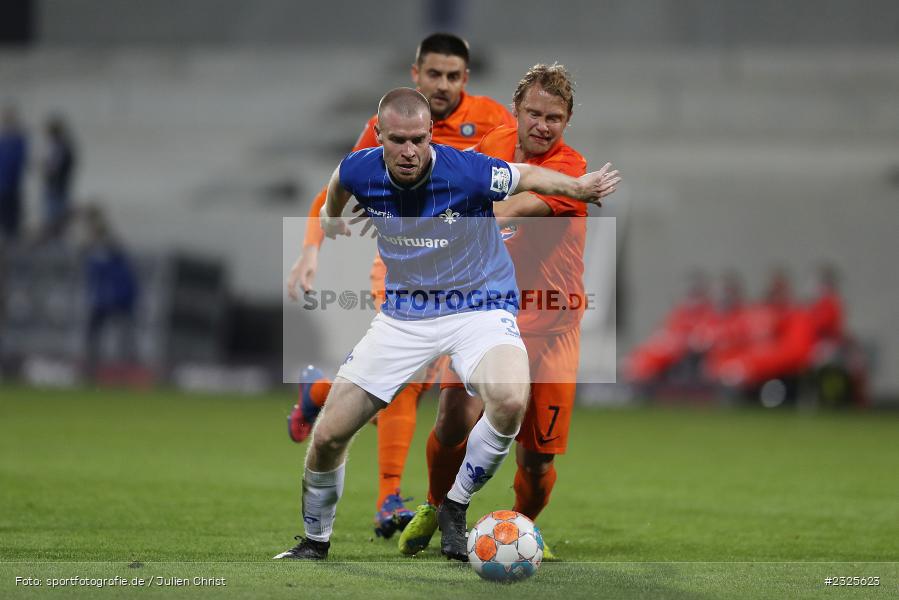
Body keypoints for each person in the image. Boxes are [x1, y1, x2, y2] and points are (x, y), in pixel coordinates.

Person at [275, 87, 620, 561]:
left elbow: (525, 176)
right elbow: (337, 180)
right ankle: (315, 541)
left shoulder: (466, 169)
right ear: (379, 137)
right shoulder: (361, 168)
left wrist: (578, 187)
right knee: (329, 434)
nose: (410, 151)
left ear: (431, 134)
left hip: (480, 309)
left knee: (510, 400)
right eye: (398, 140)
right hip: (404, 318)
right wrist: (331, 221)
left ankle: (454, 506)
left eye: (419, 139)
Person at [285, 32, 516, 539]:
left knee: (415, 382)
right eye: (433, 74)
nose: (442, 84)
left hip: (470, 274)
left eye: (453, 76)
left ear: (466, 79)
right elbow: (338, 185)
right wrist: (310, 250)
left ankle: (318, 393)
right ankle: (389, 496)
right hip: (402, 268)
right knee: (411, 377)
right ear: (416, 73)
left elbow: (509, 179)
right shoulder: (386, 123)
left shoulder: (496, 119)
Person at [395, 64, 606, 558]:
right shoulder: (493, 142)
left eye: (554, 117)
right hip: (487, 315)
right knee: (451, 419)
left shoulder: (571, 168)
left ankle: (520, 528)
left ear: (567, 120)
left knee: (537, 458)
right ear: (516, 111)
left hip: (552, 325)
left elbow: (513, 208)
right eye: (533, 112)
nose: (542, 125)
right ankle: (435, 505)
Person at [42, 113, 78, 237]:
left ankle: (56, 236)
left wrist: (46, 168)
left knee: (56, 214)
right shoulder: (58, 146)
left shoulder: (61, 146)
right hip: (57, 185)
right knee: (53, 213)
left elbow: (56, 167)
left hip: (57, 186)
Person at [0, 105, 28, 242]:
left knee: (12, 217)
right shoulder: (3, 140)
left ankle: (11, 239)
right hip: (3, 185)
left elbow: (20, 161)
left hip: (13, 185)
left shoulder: (18, 139)